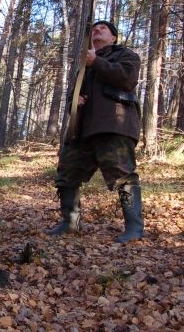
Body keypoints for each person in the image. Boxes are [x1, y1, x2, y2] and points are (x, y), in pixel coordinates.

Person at [47, 20, 144, 243]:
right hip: (82, 130)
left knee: (123, 176)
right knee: (67, 173)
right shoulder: (84, 66)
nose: (96, 31)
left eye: (102, 29)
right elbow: (74, 95)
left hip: (113, 126)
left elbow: (127, 79)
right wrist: (76, 100)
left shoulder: (126, 55)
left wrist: (96, 61)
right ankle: (69, 223)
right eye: (93, 30)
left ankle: (134, 228)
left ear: (113, 38)